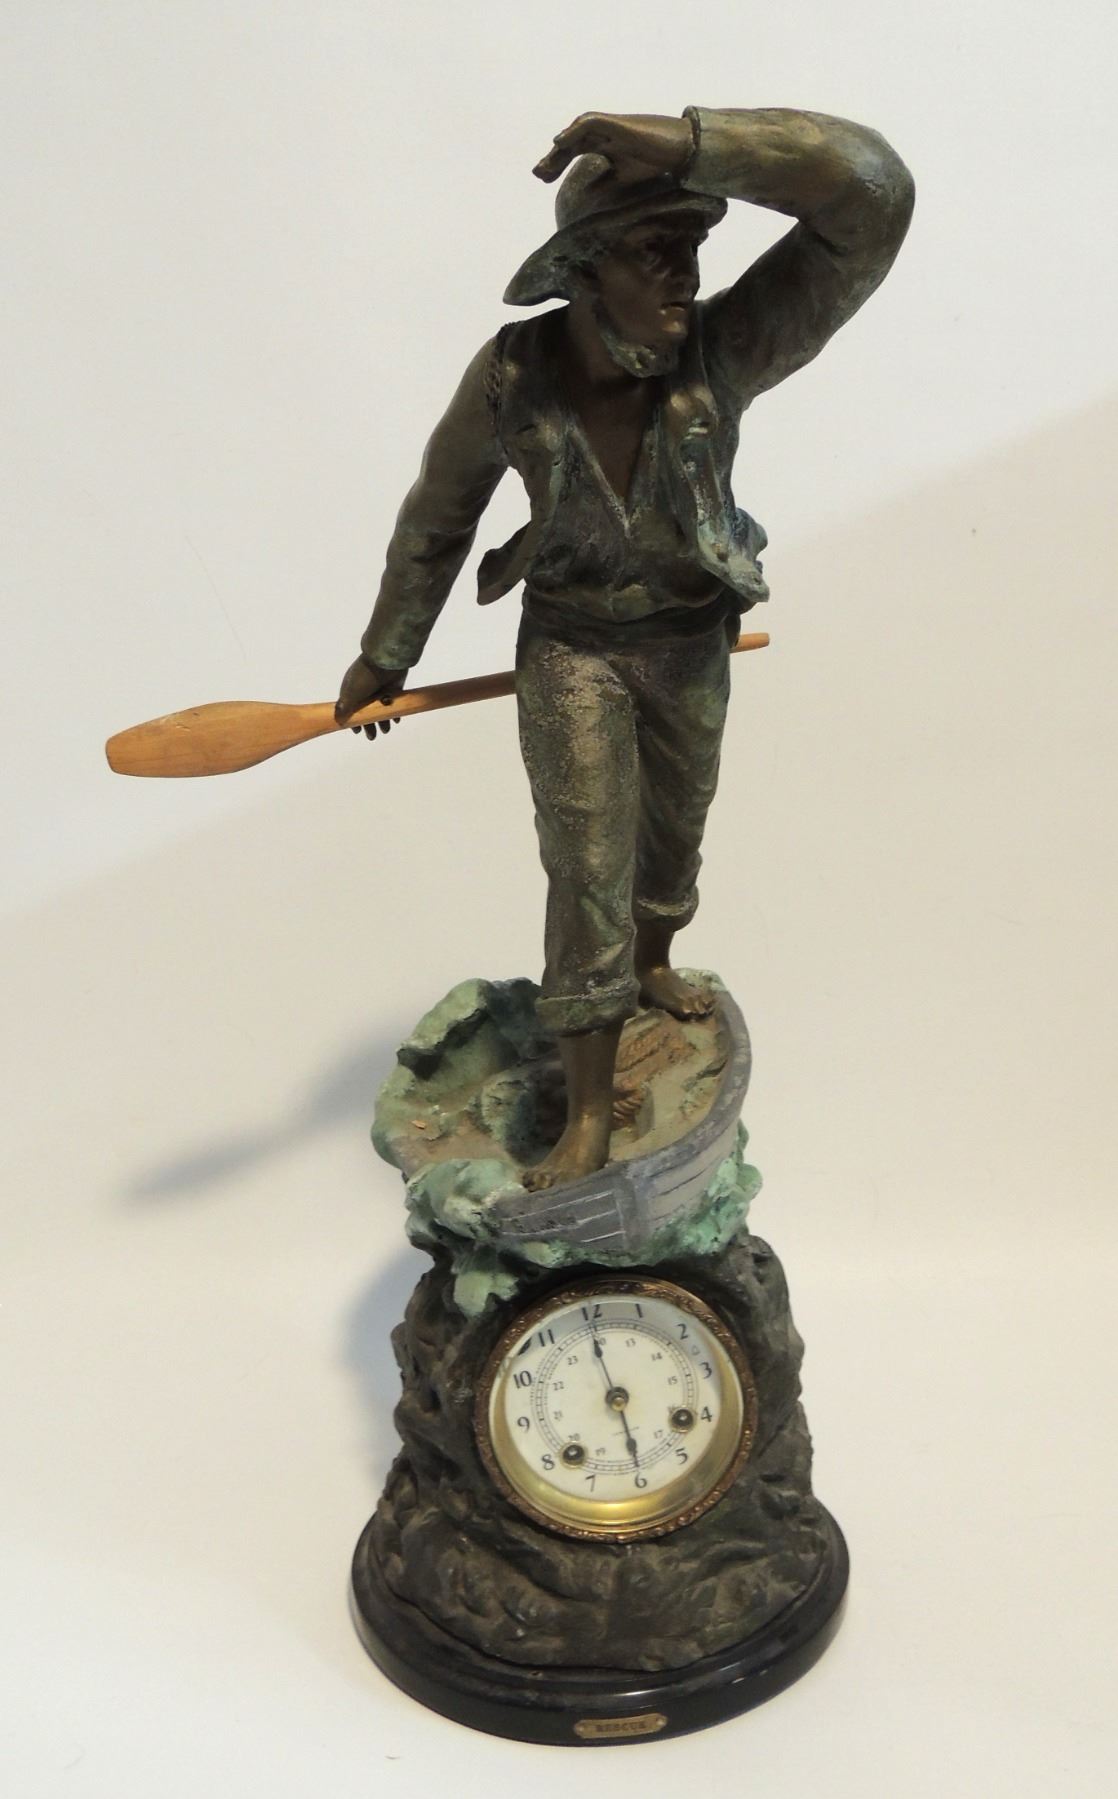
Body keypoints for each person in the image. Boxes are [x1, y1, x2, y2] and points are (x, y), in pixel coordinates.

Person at [335, 107, 914, 1189]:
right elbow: (439, 513)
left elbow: (871, 196)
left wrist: (695, 144)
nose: (684, 274)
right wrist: (387, 650)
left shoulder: (722, 349)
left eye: (691, 246)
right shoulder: (511, 377)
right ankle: (591, 1107)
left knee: (673, 834)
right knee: (587, 862)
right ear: (585, 267)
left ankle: (654, 959)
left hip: (689, 634)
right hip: (572, 647)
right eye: (654, 250)